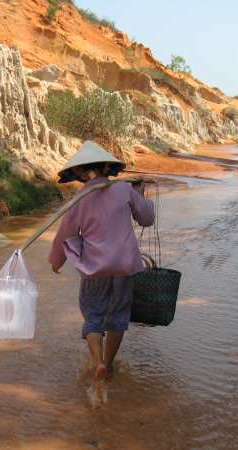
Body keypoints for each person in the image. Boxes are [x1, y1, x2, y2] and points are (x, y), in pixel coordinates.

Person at [48, 141, 155, 392]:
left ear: (82, 173)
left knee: (93, 316)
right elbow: (147, 219)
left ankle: (97, 363)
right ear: (108, 167)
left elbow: (66, 233)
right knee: (117, 317)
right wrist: (140, 194)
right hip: (125, 267)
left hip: (95, 267)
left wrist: (56, 261)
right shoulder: (124, 191)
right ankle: (108, 362)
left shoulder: (80, 198)